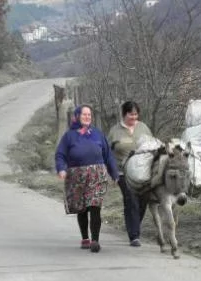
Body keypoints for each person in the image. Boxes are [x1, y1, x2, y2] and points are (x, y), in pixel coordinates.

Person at [55, 105, 119, 253]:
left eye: (89, 115)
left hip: (97, 174)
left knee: (95, 206)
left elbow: (108, 155)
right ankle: (85, 237)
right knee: (82, 208)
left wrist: (114, 173)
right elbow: (60, 154)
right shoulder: (69, 136)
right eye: (84, 114)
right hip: (76, 177)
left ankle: (95, 240)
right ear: (77, 116)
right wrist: (61, 169)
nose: (87, 117)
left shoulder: (97, 134)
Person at [108, 101, 153, 247]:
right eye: (130, 114)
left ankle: (134, 224)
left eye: (135, 114)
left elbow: (152, 145)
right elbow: (107, 153)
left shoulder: (143, 128)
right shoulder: (115, 131)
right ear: (124, 114)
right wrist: (112, 172)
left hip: (143, 171)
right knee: (131, 200)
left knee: (143, 200)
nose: (134, 117)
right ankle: (134, 235)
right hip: (123, 172)